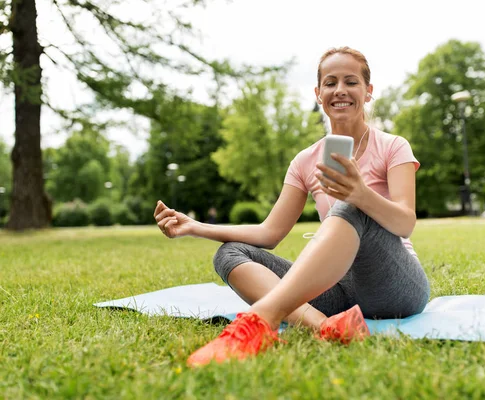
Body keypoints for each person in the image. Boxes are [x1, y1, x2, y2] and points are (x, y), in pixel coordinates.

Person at [154, 47, 430, 367]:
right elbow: (269, 233)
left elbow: (405, 223)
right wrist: (195, 227)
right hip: (335, 292)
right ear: (318, 93)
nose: (339, 90)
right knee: (229, 253)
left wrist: (359, 194)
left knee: (350, 207)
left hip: (394, 287)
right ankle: (324, 326)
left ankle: (261, 320)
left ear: (368, 92)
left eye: (351, 82)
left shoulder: (394, 146)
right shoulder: (305, 161)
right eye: (330, 83)